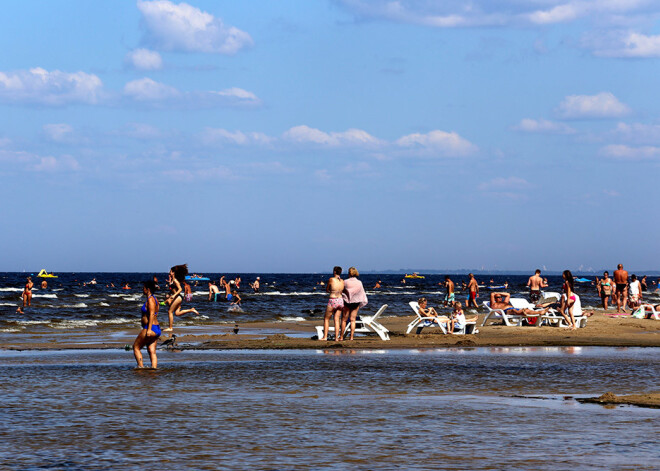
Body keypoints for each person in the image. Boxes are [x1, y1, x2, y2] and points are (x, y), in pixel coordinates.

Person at [133, 279, 161, 369]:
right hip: (156, 328)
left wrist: (148, 329)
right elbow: (157, 311)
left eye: (143, 288)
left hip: (151, 328)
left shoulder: (151, 300)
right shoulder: (155, 299)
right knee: (151, 350)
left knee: (136, 347)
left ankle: (140, 367)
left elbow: (152, 314)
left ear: (148, 289)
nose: (142, 290)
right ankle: (154, 370)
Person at [164, 264, 199, 332]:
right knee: (177, 313)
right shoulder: (173, 280)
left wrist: (174, 295)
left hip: (177, 298)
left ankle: (170, 328)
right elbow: (174, 289)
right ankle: (191, 310)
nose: (169, 272)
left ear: (173, 272)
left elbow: (180, 289)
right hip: (178, 298)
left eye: (170, 271)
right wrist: (170, 294)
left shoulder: (175, 280)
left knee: (170, 311)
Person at [340, 267, 368, 341]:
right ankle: (351, 337)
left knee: (344, 320)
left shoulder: (345, 282)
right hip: (356, 302)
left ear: (349, 273)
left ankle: (341, 336)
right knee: (353, 320)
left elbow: (341, 291)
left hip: (347, 302)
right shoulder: (359, 282)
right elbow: (361, 293)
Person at [319, 266, 345, 341]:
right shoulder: (342, 281)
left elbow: (327, 289)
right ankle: (336, 337)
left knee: (326, 318)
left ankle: (325, 336)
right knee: (337, 319)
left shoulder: (331, 279)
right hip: (340, 300)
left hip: (333, 299)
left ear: (334, 272)